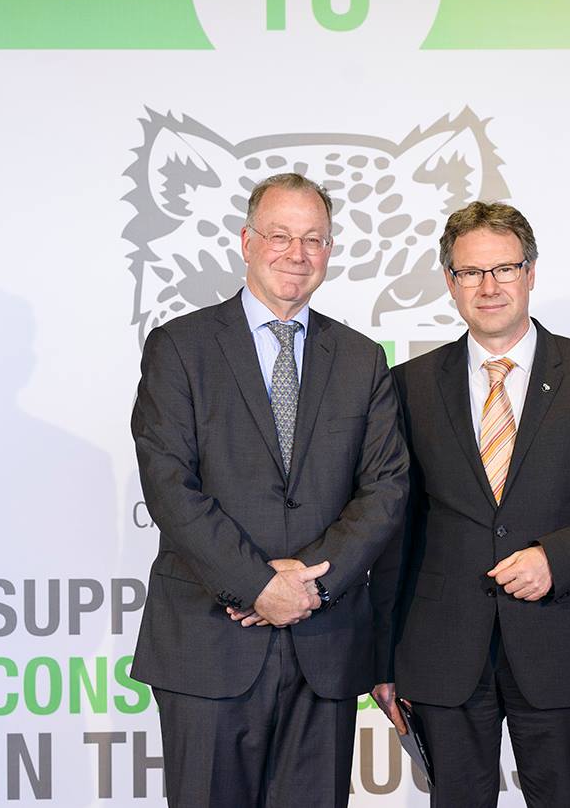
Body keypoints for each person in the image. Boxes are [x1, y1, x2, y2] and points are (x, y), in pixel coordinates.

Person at [131, 172, 409, 807]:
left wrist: (307, 588)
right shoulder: (180, 347)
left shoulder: (362, 357)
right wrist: (257, 584)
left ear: (330, 250)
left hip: (323, 644)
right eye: (280, 235)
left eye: (314, 239)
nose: (297, 253)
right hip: (210, 644)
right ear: (247, 241)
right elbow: (170, 485)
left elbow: (386, 487)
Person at [371, 201, 570, 807]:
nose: (489, 286)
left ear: (530, 272)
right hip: (441, 654)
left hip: (559, 647)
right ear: (449, 281)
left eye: (504, 268)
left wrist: (556, 558)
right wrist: (383, 657)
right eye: (471, 272)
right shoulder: (409, 385)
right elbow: (396, 531)